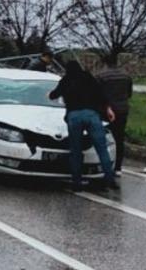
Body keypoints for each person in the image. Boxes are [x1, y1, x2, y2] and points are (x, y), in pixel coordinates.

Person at [49, 60, 118, 192]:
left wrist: (50, 95)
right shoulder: (88, 77)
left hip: (74, 115)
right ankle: (110, 179)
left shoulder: (66, 79)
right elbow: (100, 94)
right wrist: (108, 109)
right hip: (92, 115)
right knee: (101, 148)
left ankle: (77, 182)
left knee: (76, 150)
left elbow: (54, 95)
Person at [95, 60, 133, 174]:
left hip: (105, 110)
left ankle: (103, 165)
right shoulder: (126, 76)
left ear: (105, 64)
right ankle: (118, 167)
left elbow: (96, 94)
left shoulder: (100, 76)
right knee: (119, 138)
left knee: (103, 137)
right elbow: (129, 94)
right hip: (122, 110)